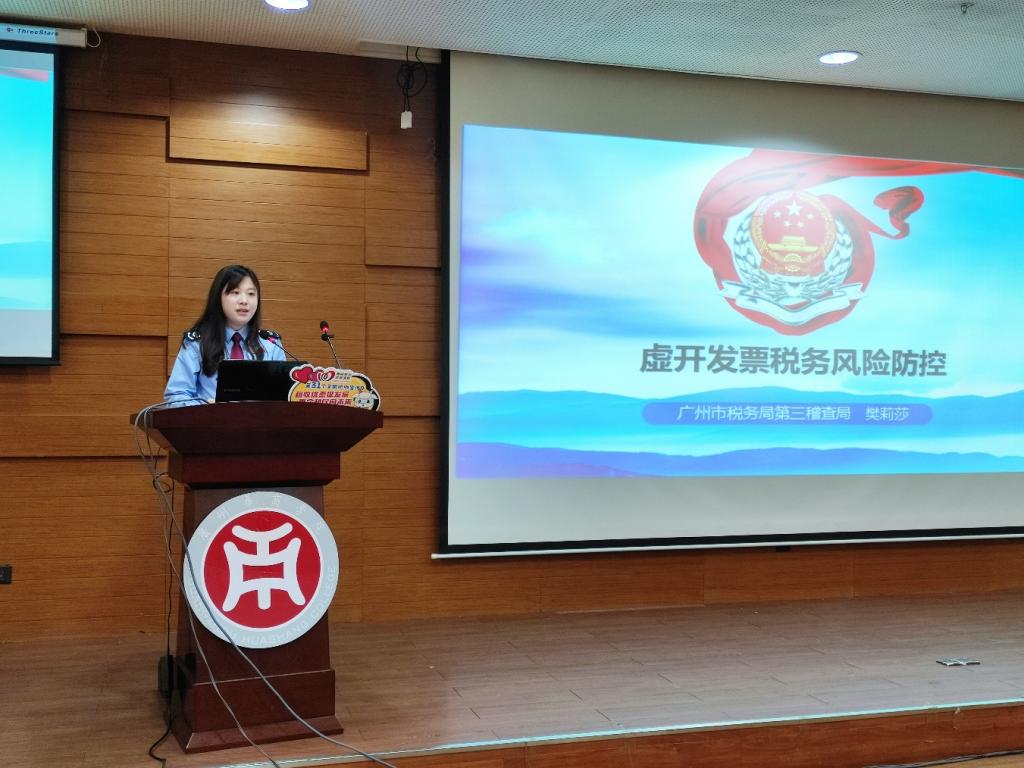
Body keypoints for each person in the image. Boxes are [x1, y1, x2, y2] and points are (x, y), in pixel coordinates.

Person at [164, 264, 285, 404]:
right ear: (218, 297)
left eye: (251, 294)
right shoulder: (197, 343)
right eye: (235, 292)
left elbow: (284, 399)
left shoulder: (271, 344)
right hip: (208, 418)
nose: (244, 301)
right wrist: (206, 409)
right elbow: (175, 396)